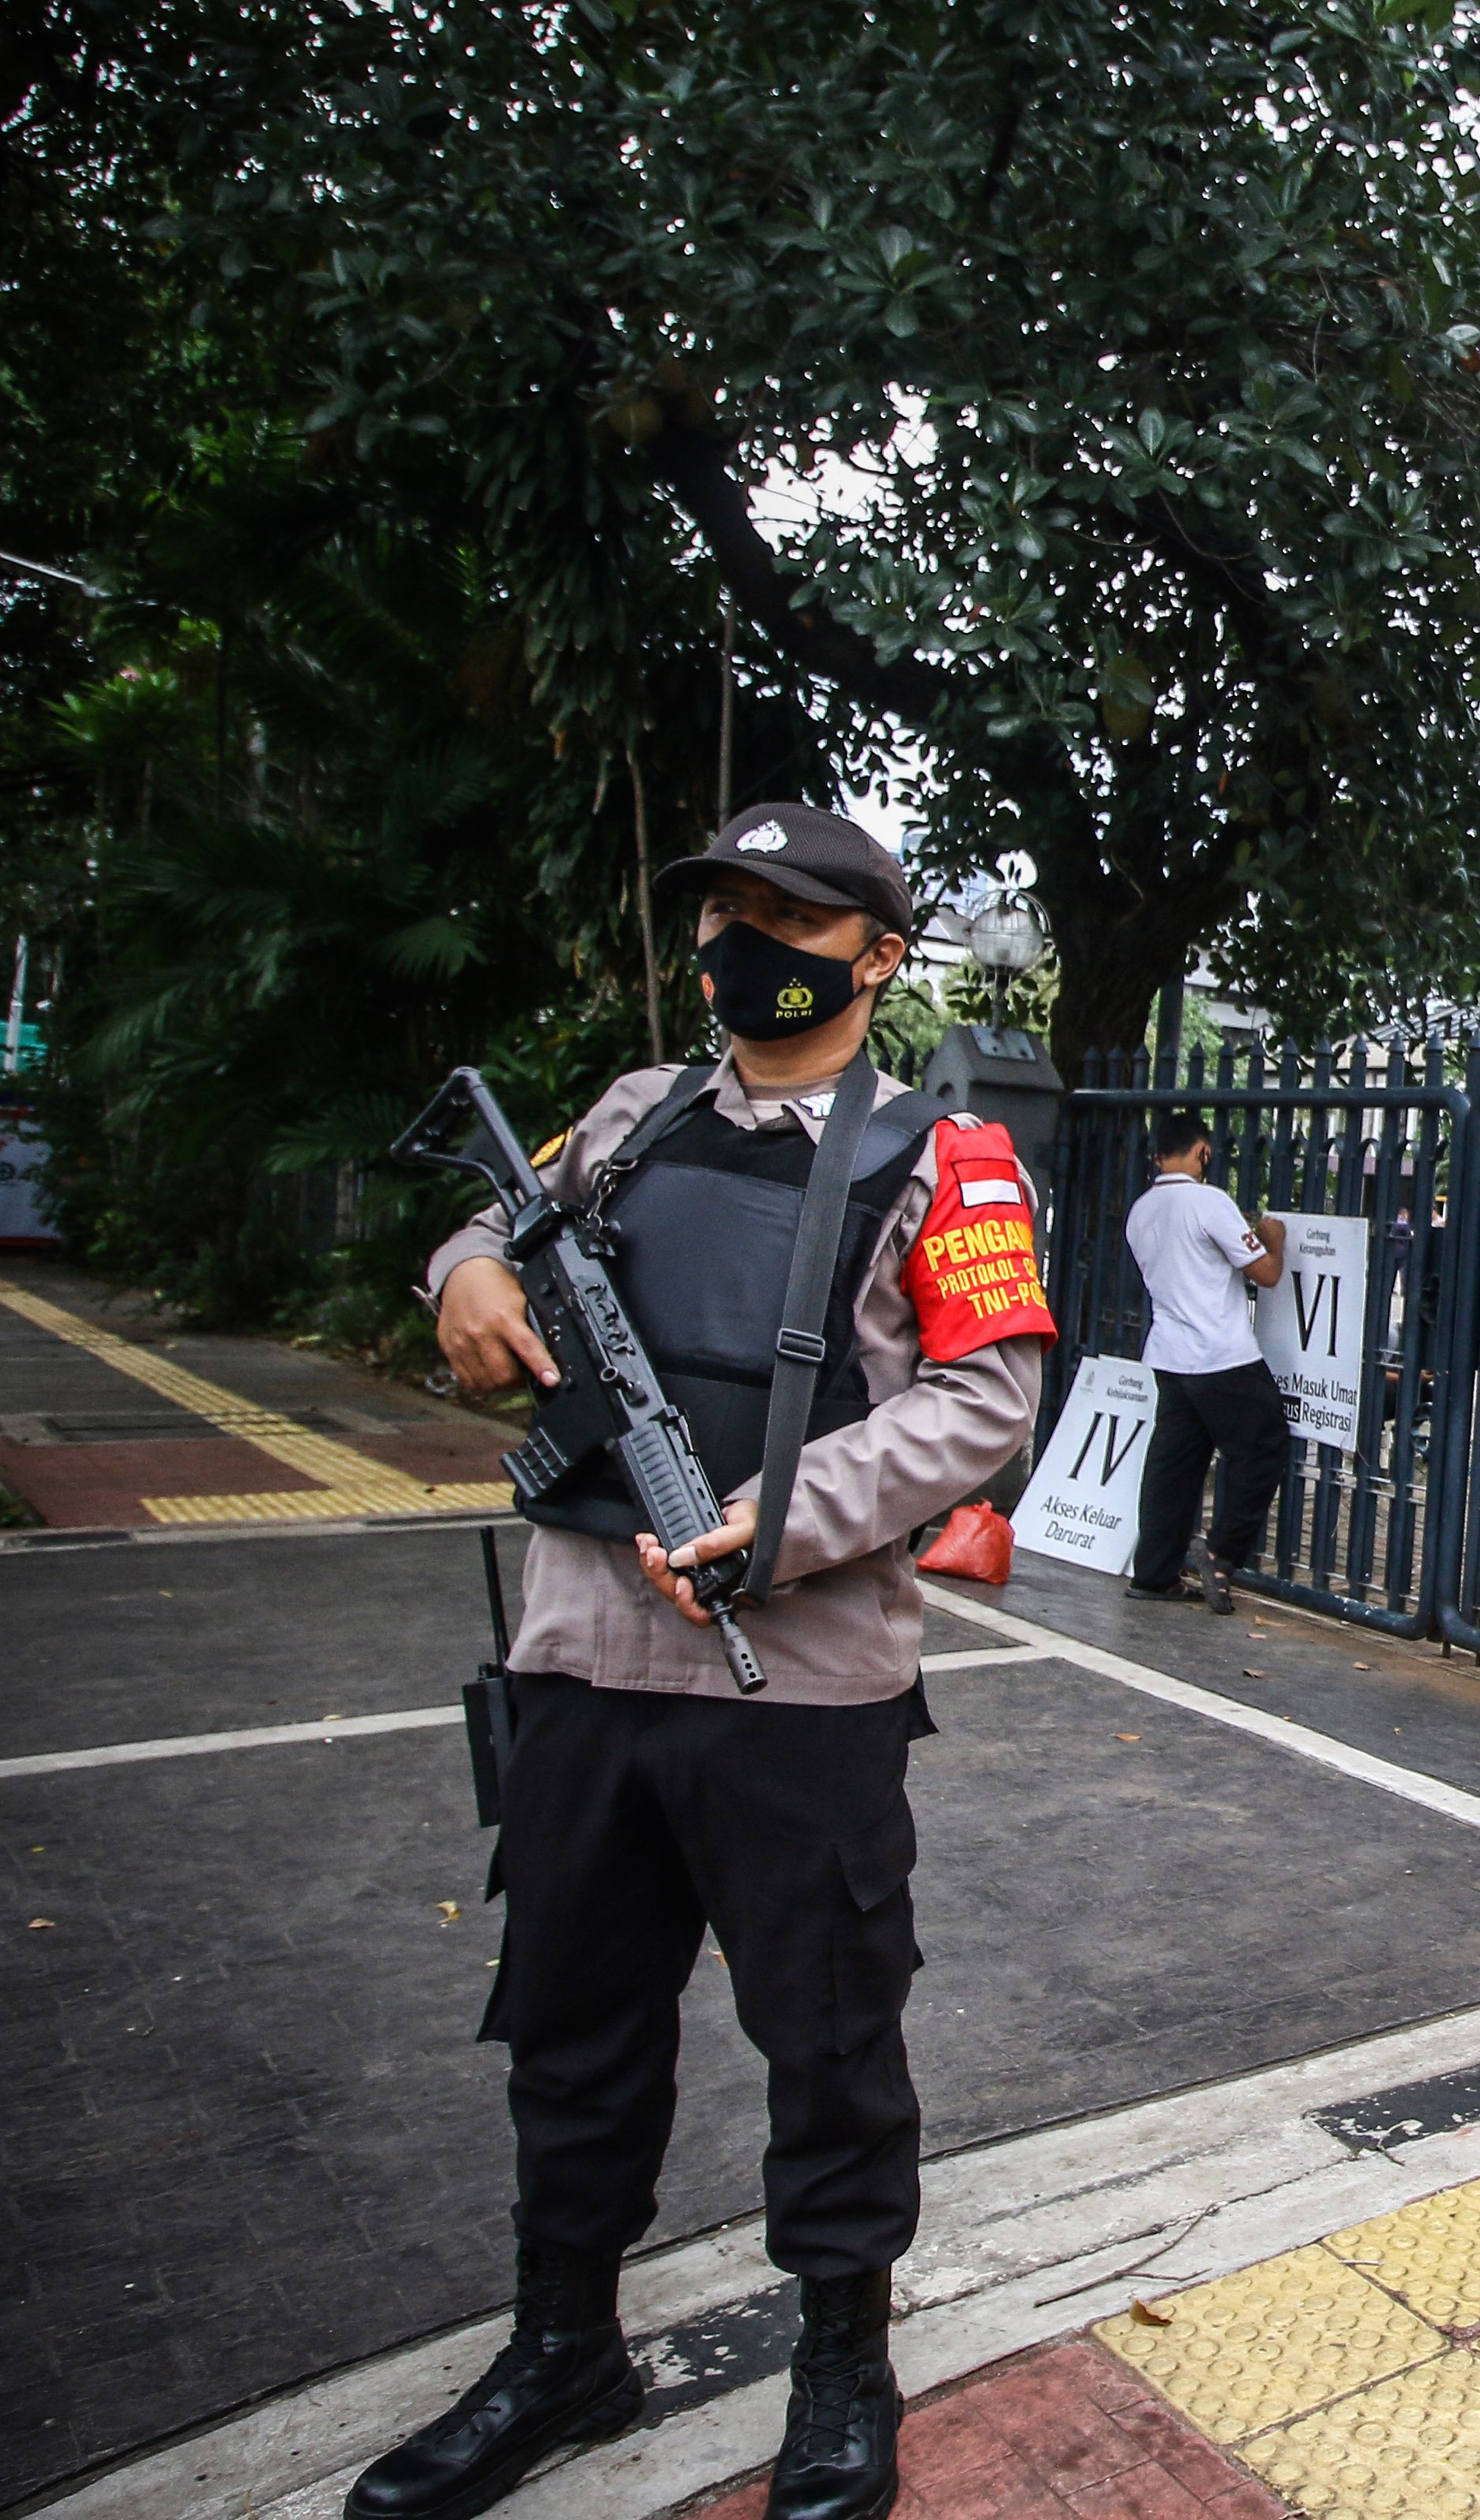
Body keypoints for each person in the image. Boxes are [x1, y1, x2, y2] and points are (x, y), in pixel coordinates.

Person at [375, 802, 1054, 2520]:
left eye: (788, 914)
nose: (742, 941)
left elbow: (988, 1402)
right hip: (584, 1659)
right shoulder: (627, 1115)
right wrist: (457, 1276)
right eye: (725, 910)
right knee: (570, 2030)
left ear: (877, 956)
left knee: (830, 2042)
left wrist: (789, 1513)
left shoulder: (948, 1160)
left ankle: (840, 2356)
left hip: (800, 1688)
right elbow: (491, 1234)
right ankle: (561, 2346)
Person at [1122, 1112, 1290, 1611]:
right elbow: (1266, 1273)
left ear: (1157, 1157)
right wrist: (1273, 1236)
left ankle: (1154, 1573)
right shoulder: (1209, 1201)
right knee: (1262, 1447)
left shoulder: (1141, 1210)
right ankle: (1221, 1554)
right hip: (1221, 1354)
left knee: (1174, 1467)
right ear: (1203, 1153)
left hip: (1170, 1357)